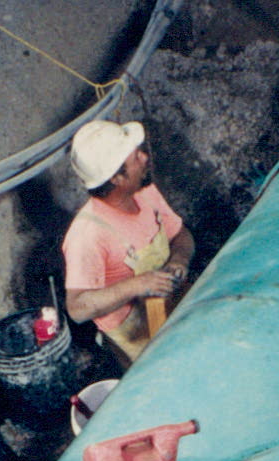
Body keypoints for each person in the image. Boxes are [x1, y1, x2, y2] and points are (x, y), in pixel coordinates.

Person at [62, 120, 194, 365]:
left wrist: (179, 259)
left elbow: (182, 235)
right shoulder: (87, 235)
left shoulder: (146, 194)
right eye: (136, 157)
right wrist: (139, 285)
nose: (144, 158)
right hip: (138, 333)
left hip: (177, 303)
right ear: (116, 178)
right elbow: (78, 309)